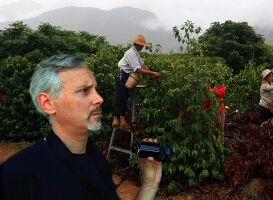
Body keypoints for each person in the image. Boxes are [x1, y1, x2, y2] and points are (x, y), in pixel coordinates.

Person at [0, 55, 162, 200]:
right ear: (47, 103)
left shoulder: (96, 163)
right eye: (84, 91)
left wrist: (149, 185)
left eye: (95, 90)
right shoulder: (17, 174)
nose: (98, 99)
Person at [112, 34, 160, 130]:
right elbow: (137, 69)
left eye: (142, 46)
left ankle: (115, 119)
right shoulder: (130, 53)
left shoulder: (136, 53)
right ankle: (122, 121)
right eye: (140, 45)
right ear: (135, 44)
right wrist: (151, 74)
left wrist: (152, 72)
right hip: (122, 75)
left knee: (120, 96)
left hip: (126, 76)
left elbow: (142, 65)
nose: (142, 47)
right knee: (122, 97)